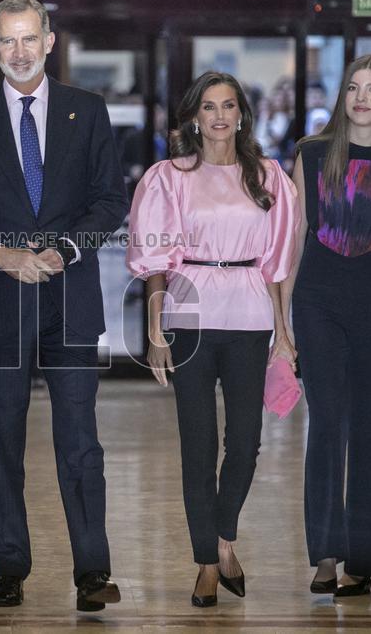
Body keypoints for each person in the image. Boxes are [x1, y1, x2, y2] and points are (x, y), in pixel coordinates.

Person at [0, 0, 129, 612]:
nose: (18, 52)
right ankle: (8, 568)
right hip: (0, 304)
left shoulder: (87, 112)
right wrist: (0, 255)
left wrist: (64, 249)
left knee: (80, 443)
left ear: (49, 42)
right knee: (0, 441)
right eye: (6, 41)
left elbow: (110, 202)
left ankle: (93, 572)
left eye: (28, 39)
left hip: (70, 301)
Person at [127, 72, 298, 608]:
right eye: (208, 106)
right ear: (194, 117)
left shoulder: (269, 177)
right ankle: (207, 561)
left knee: (245, 441)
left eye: (228, 105)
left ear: (242, 114)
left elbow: (279, 263)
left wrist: (284, 332)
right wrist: (156, 328)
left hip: (249, 313)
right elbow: (155, 257)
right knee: (197, 446)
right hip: (190, 311)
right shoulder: (168, 177)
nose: (219, 115)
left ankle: (224, 537)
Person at [282, 55, 371, 597]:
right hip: (318, 302)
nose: (361, 97)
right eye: (352, 87)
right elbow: (295, 237)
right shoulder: (312, 154)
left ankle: (363, 560)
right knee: (325, 428)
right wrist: (283, 322)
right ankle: (324, 552)